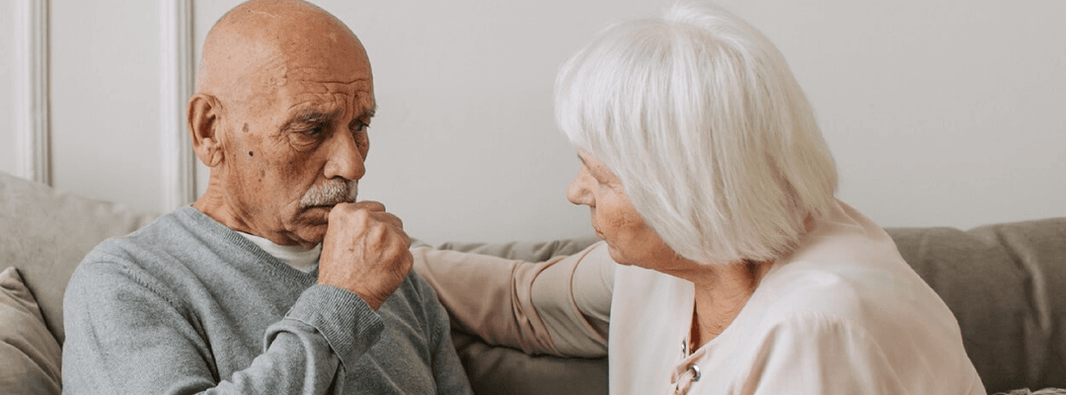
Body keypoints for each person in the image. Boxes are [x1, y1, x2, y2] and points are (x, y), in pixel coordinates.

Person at [413, 3, 985, 394]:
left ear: (681, 194)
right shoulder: (677, 258)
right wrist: (362, 245)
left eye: (601, 179)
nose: (575, 191)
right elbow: (525, 302)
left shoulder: (815, 329)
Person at [62, 1, 472, 394]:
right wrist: (345, 301)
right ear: (209, 130)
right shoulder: (127, 280)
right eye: (310, 129)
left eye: (360, 125)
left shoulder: (397, 280)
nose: (352, 166)